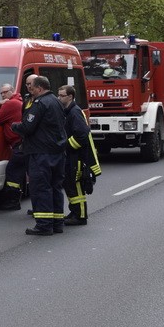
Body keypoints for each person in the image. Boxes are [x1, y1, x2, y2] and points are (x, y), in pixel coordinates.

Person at [11, 76, 67, 236]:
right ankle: (57, 223)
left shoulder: (40, 103)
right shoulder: (56, 101)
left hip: (40, 152)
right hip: (57, 151)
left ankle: (44, 225)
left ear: (40, 88)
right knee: (55, 187)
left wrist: (15, 127)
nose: (31, 90)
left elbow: (28, 126)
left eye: (33, 88)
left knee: (41, 188)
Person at [59, 85, 101, 226]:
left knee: (76, 186)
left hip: (75, 157)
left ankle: (80, 216)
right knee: (70, 185)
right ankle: (74, 212)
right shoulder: (68, 111)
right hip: (71, 156)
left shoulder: (74, 112)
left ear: (70, 97)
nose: (59, 98)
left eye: (62, 96)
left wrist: (67, 146)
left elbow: (82, 135)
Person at [0, 83, 24, 209]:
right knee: (23, 171)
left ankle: (13, 202)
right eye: (1, 93)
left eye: (5, 92)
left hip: (18, 144)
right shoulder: (17, 102)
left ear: (12, 91)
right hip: (22, 143)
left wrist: (1, 105)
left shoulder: (11, 104)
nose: (3, 95)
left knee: (12, 171)